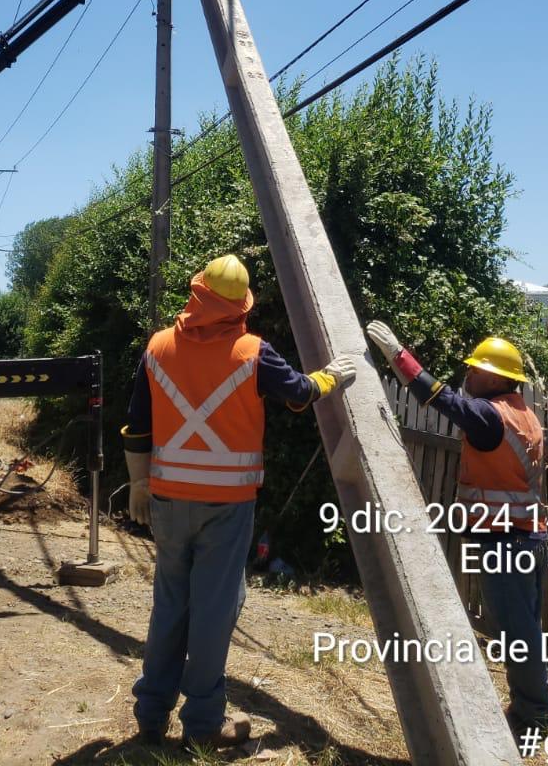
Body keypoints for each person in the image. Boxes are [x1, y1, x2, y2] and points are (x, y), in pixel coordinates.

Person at [123, 254, 357, 750]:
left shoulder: (157, 348)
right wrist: (332, 377)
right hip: (227, 507)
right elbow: (298, 392)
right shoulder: (254, 351)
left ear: (196, 291)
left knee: (169, 606)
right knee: (213, 612)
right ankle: (204, 727)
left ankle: (150, 716)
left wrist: (139, 485)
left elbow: (137, 426)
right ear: (241, 305)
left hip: (167, 500)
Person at [366, 320, 548, 747]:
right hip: (527, 537)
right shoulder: (522, 415)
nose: (468, 375)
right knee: (524, 628)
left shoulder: (490, 417)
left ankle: (536, 716)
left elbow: (441, 399)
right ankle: (534, 706)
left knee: (516, 633)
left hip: (503, 540)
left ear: (496, 377)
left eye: (475, 369)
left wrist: (400, 356)